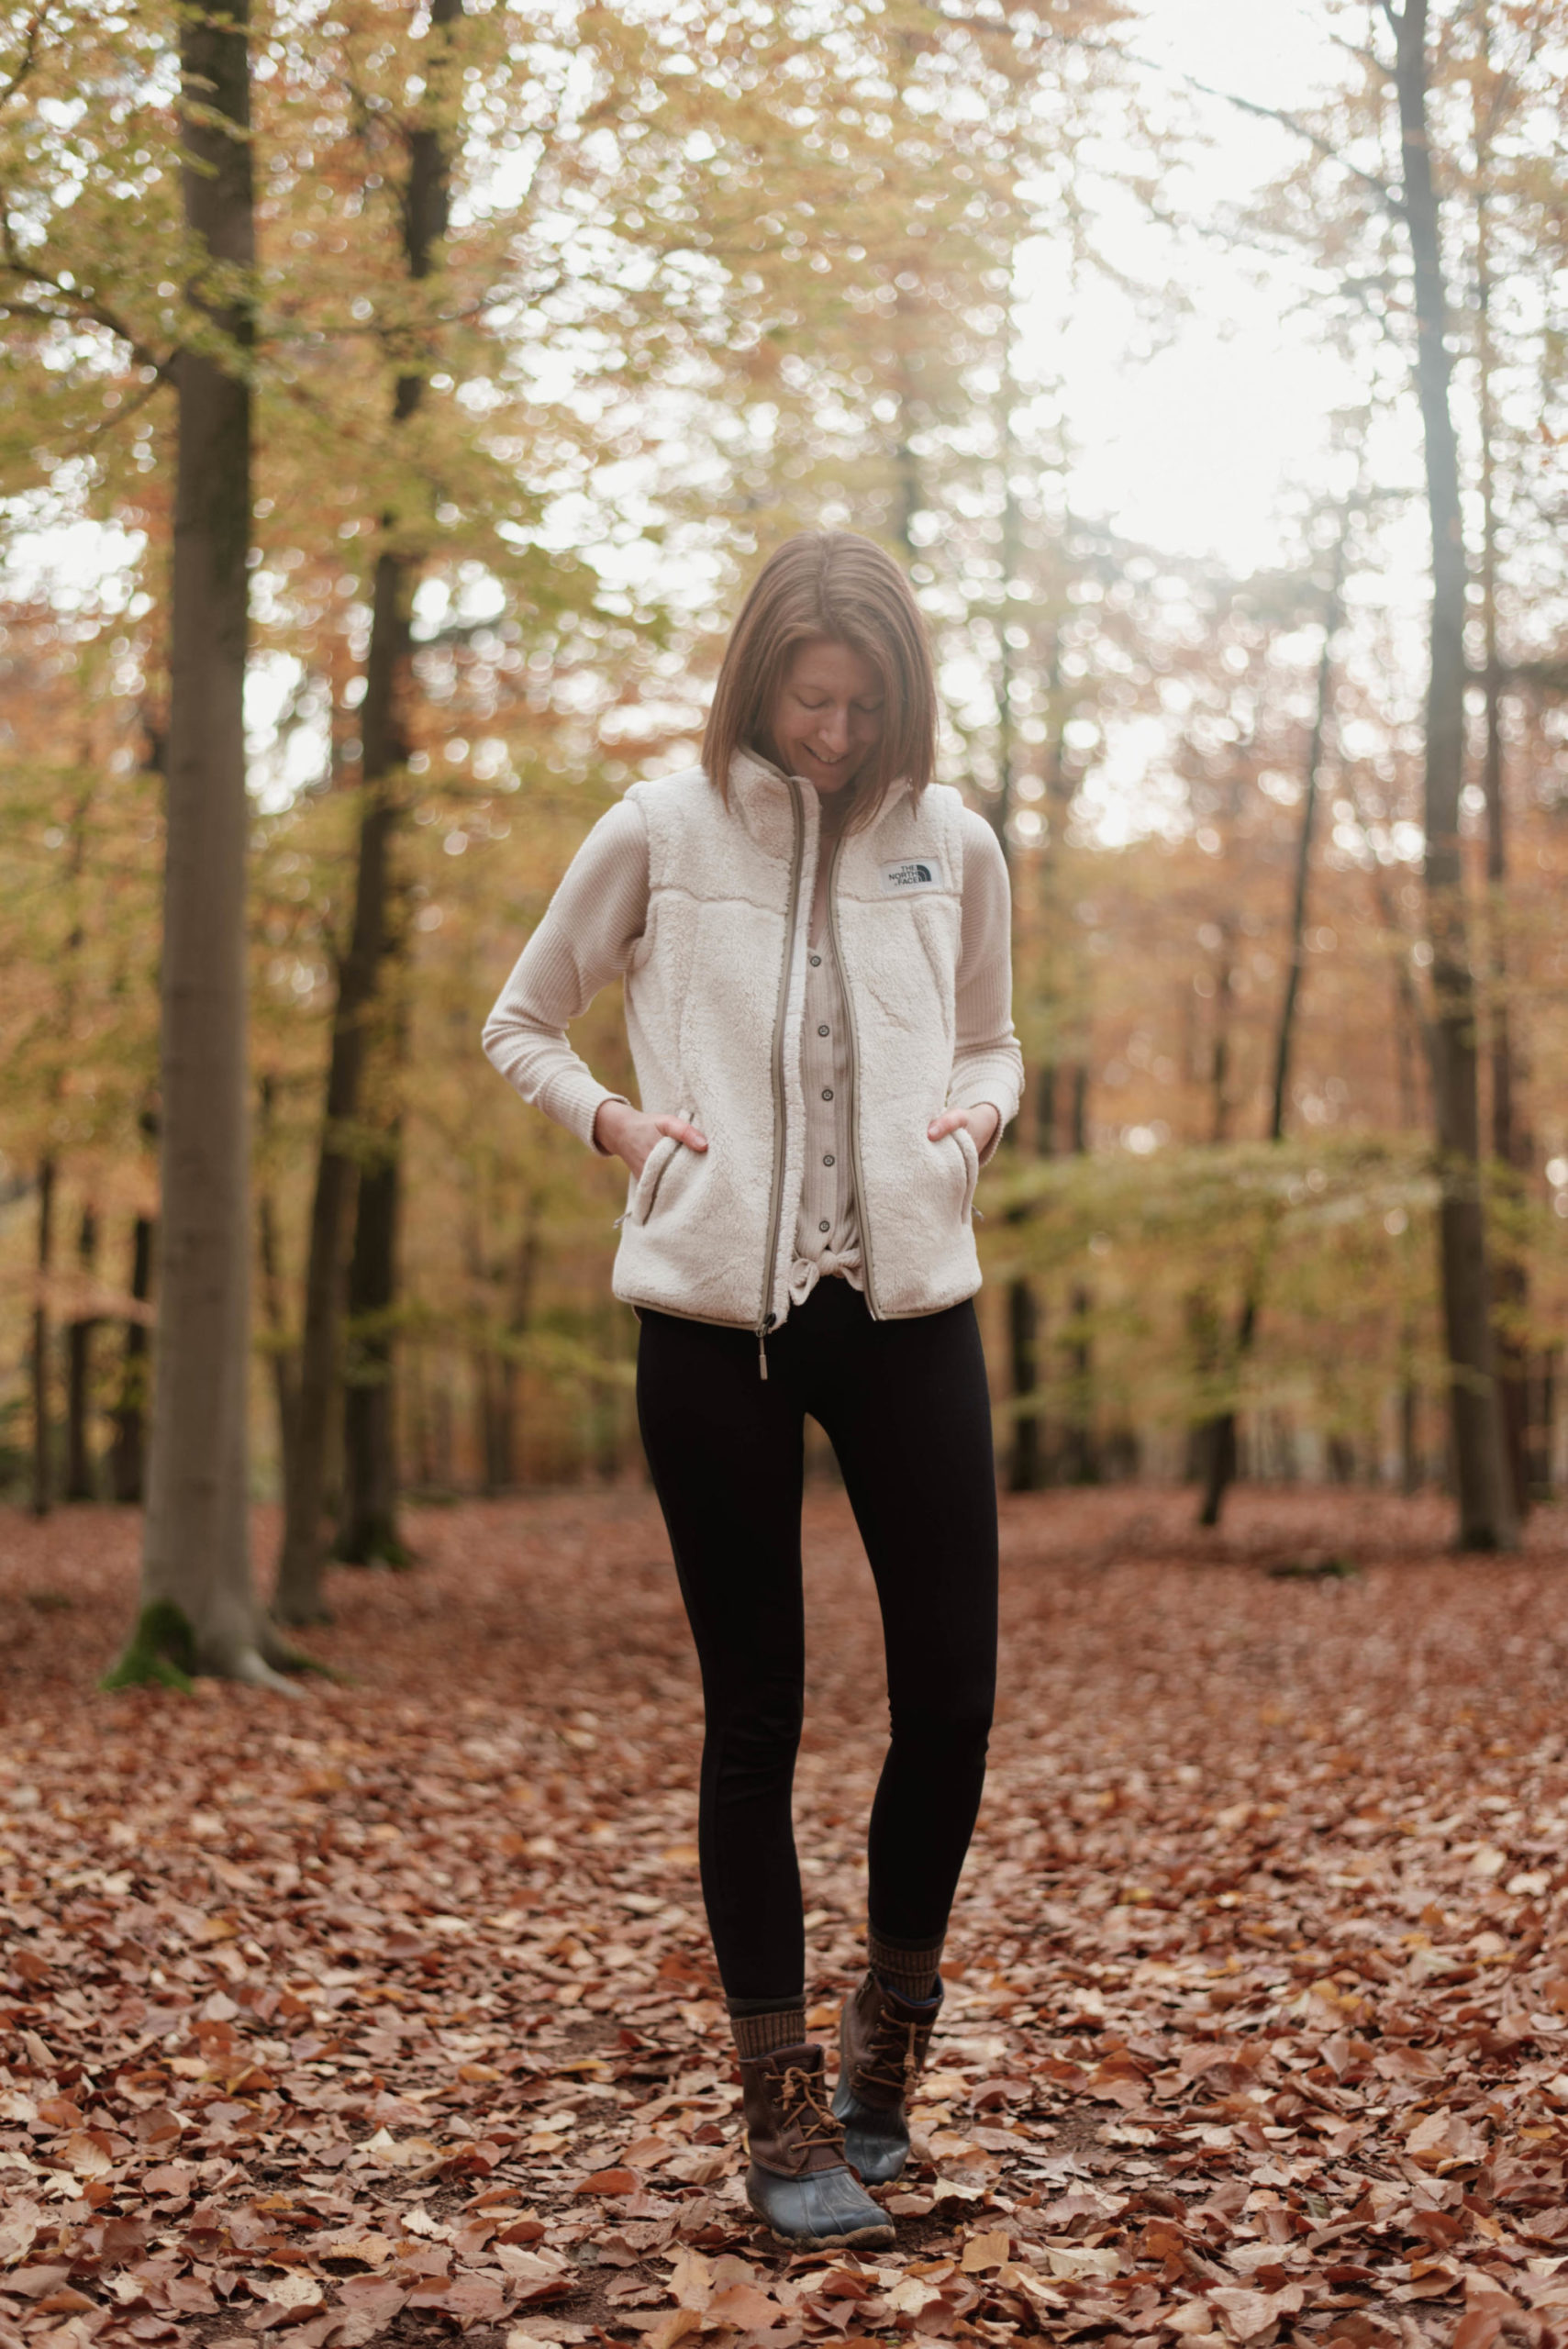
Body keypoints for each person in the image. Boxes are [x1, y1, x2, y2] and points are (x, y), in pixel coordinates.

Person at [483, 530, 1023, 2250]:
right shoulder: (658, 829)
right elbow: (523, 1019)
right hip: (714, 1322)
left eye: (867, 704)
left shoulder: (953, 844)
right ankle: (781, 2121)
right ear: (757, 679)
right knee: (757, 1720)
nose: (836, 733)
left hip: (907, 1308)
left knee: (950, 1698)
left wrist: (974, 1120)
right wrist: (619, 1128)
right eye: (810, 698)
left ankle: (884, 2069)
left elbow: (994, 1040)